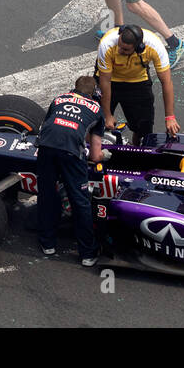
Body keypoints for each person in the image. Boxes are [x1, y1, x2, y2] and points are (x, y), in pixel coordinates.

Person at [36, 75, 107, 265]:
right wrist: (104, 157)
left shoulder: (58, 99)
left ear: (73, 89)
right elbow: (94, 154)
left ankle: (47, 243)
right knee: (80, 201)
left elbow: (48, 126)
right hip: (70, 153)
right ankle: (87, 254)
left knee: (47, 194)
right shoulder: (97, 109)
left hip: (45, 147)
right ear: (94, 94)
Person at [96, 24, 179, 145]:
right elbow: (105, 81)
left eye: (125, 50)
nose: (120, 50)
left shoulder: (155, 46)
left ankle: (136, 149)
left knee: (143, 129)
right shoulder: (107, 44)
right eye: (119, 46)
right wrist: (107, 115)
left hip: (138, 82)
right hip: (110, 80)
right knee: (95, 122)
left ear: (139, 47)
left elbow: (166, 82)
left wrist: (170, 117)